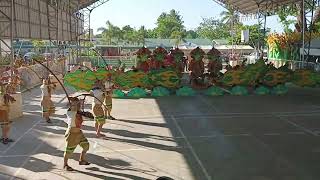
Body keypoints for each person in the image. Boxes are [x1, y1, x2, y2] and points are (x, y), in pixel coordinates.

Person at [63, 97, 90, 171]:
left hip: (79, 133)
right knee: (68, 151)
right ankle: (65, 165)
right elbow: (75, 112)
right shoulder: (70, 113)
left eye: (77, 105)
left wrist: (86, 114)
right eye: (73, 105)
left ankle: (81, 160)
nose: (76, 106)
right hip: (72, 134)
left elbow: (80, 113)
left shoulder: (78, 112)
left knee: (86, 146)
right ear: (70, 106)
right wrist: (75, 103)